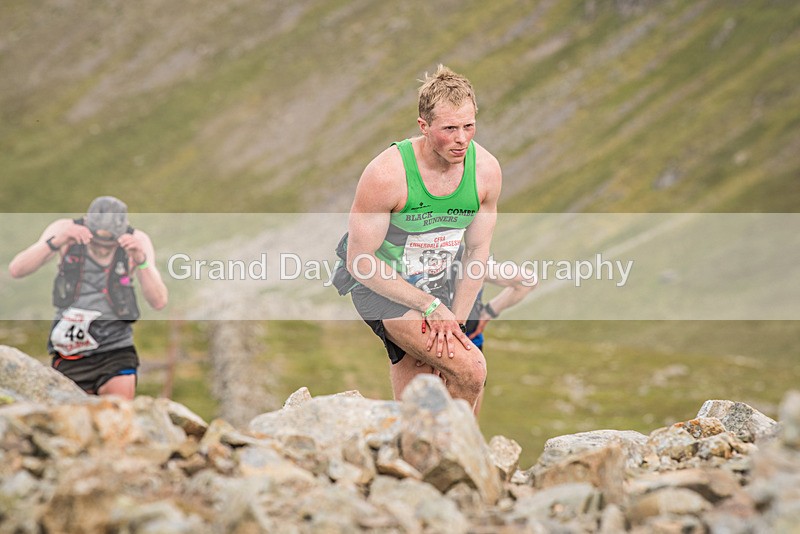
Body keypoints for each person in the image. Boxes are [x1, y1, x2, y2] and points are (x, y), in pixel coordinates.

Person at [344, 64, 502, 412]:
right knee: (470, 370)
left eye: (469, 126)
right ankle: (448, 442)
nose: (462, 139)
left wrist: (455, 322)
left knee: (424, 396)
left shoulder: (486, 171)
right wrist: (429, 307)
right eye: (449, 129)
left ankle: (425, 442)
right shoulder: (387, 174)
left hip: (440, 277)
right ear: (424, 126)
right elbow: (360, 261)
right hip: (383, 282)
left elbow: (477, 251)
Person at [8, 196, 168, 399]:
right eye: (96, 242)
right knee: (71, 415)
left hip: (115, 347)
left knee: (117, 410)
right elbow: (17, 269)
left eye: (109, 244)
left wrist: (141, 260)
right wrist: (57, 242)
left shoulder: (137, 241)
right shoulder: (64, 229)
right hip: (70, 351)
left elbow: (159, 301)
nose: (102, 249)